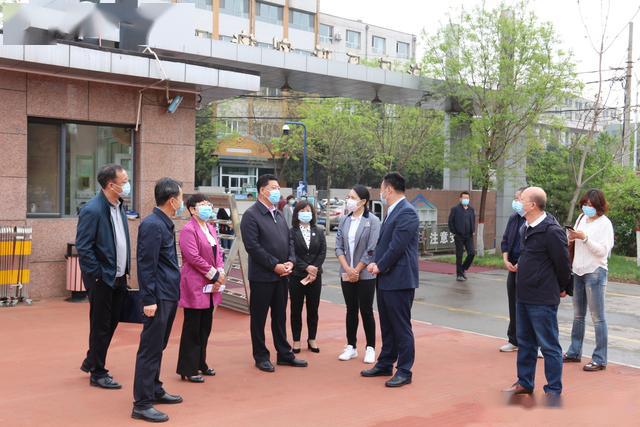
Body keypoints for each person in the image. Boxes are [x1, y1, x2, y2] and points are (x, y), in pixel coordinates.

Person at [503, 187, 571, 397]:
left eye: (521, 199)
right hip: (523, 295)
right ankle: (525, 382)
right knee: (525, 343)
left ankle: (553, 388)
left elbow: (563, 264)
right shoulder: (525, 227)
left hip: (542, 298)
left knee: (549, 345)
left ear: (532, 205)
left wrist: (563, 287)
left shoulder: (552, 231)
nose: (517, 203)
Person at [240, 174, 307, 373]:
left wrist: (291, 261)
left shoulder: (278, 214)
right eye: (274, 187)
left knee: (279, 317)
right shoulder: (251, 215)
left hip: (282, 275)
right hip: (262, 277)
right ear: (263, 190)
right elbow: (252, 246)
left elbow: (290, 241)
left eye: (278, 187)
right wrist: (274, 265)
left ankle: (284, 354)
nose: (278, 191)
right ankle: (261, 356)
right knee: (259, 318)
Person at [132, 178, 184, 423]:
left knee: (158, 346)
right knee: (150, 348)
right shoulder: (153, 224)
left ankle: (153, 388)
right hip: (158, 296)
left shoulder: (164, 223)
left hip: (168, 293)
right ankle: (141, 403)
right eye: (181, 198)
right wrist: (149, 299)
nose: (182, 203)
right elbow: (146, 264)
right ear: (172, 200)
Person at [76, 163, 131, 389]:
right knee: (100, 325)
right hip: (102, 279)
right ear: (111, 185)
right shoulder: (92, 210)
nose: (127, 185)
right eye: (124, 181)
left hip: (119, 276)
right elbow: (84, 247)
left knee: (113, 321)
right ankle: (98, 372)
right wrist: (97, 275)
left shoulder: (119, 206)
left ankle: (92, 359)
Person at [363, 172, 419, 388]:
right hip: (386, 278)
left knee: (401, 325)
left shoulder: (407, 213)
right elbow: (384, 244)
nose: (380, 192)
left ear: (389, 189)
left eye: (381, 188)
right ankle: (386, 362)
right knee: (386, 324)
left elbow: (397, 246)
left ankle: (404, 370)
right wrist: (375, 261)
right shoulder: (392, 211)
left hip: (400, 279)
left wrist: (380, 264)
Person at [176, 194, 226, 383]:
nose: (207, 207)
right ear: (192, 209)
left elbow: (218, 252)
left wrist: (220, 270)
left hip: (211, 284)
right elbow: (193, 257)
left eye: (208, 204)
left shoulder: (211, 228)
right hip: (196, 283)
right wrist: (214, 274)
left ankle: (200, 362)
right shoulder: (189, 230)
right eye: (202, 205)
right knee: (192, 327)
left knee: (205, 326)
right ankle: (187, 368)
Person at [564, 189, 614, 372]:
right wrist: (572, 237)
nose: (587, 208)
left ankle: (600, 358)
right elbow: (573, 242)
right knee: (578, 315)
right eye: (585, 204)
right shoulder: (581, 219)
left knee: (598, 317)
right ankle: (574, 352)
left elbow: (603, 251)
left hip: (595, 272)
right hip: (578, 270)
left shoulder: (605, 224)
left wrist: (584, 238)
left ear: (599, 206)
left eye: (591, 205)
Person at [335, 185, 381, 364]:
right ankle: (351, 346)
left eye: (352, 197)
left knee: (366, 310)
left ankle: (370, 347)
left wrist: (358, 269)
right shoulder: (344, 220)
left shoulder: (373, 221)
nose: (349, 200)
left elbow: (372, 249)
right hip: (347, 272)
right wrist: (348, 268)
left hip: (366, 273)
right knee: (351, 309)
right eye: (348, 197)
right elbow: (338, 245)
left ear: (363, 201)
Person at [289, 200, 326, 353]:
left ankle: (312, 339)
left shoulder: (318, 230)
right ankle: (296, 340)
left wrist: (314, 268)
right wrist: (306, 267)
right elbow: (292, 253)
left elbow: (322, 251)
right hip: (297, 275)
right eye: (303, 210)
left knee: (313, 309)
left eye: (308, 210)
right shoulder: (291, 231)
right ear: (297, 213)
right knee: (296, 309)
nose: (306, 212)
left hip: (315, 276)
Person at [499, 187, 528, 352]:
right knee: (513, 303)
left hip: (528, 268)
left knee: (528, 305)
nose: (516, 202)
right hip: (512, 266)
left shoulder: (532, 220)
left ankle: (535, 342)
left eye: (519, 198)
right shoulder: (513, 218)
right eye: (515, 198)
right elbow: (505, 241)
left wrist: (521, 263)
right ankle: (514, 339)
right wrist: (506, 259)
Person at [448, 191, 476, 281]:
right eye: (464, 198)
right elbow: (450, 222)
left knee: (471, 253)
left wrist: (473, 230)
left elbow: (473, 220)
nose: (466, 200)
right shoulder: (455, 209)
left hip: (469, 236)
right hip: (459, 236)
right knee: (459, 255)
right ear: (460, 199)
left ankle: (463, 268)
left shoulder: (471, 210)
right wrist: (454, 232)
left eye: (467, 198)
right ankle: (459, 274)